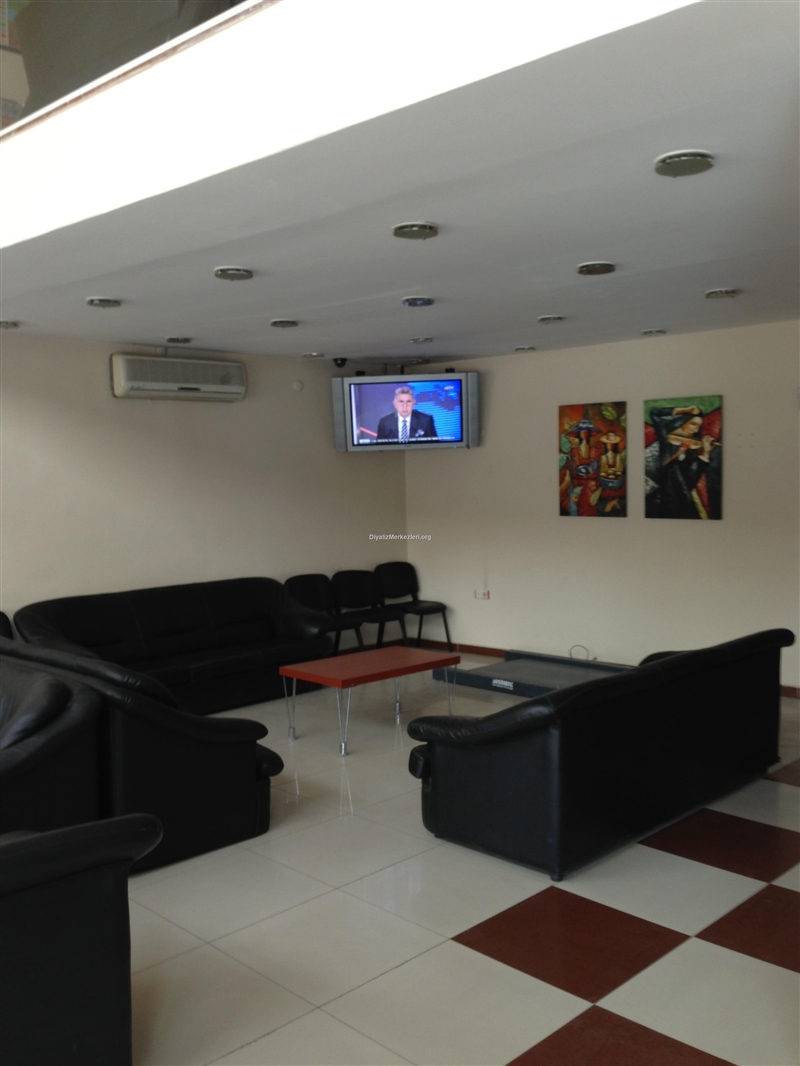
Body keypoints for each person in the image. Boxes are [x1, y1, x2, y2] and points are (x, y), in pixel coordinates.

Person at [646, 405, 721, 519]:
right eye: (693, 424)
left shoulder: (693, 448)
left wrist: (705, 453)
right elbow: (655, 414)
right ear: (682, 422)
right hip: (659, 496)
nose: (695, 430)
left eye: (698, 427)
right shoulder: (665, 438)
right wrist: (686, 410)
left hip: (676, 496)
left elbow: (689, 480)